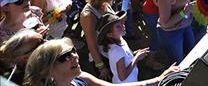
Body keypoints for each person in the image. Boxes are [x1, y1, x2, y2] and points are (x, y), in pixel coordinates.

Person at [23, 37, 180, 86]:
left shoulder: (81, 77)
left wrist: (159, 79)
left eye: (73, 51)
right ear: (48, 69)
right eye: (65, 57)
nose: (75, 57)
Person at [79, 0, 120, 81]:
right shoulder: (88, 15)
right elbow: (91, 43)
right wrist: (101, 66)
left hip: (112, 51)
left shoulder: (105, 4)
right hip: (103, 57)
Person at [97, 11, 149, 83]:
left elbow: (125, 56)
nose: (123, 26)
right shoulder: (116, 50)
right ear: (110, 34)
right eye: (118, 26)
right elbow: (122, 77)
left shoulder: (121, 39)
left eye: (121, 23)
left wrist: (134, 54)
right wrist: (136, 58)